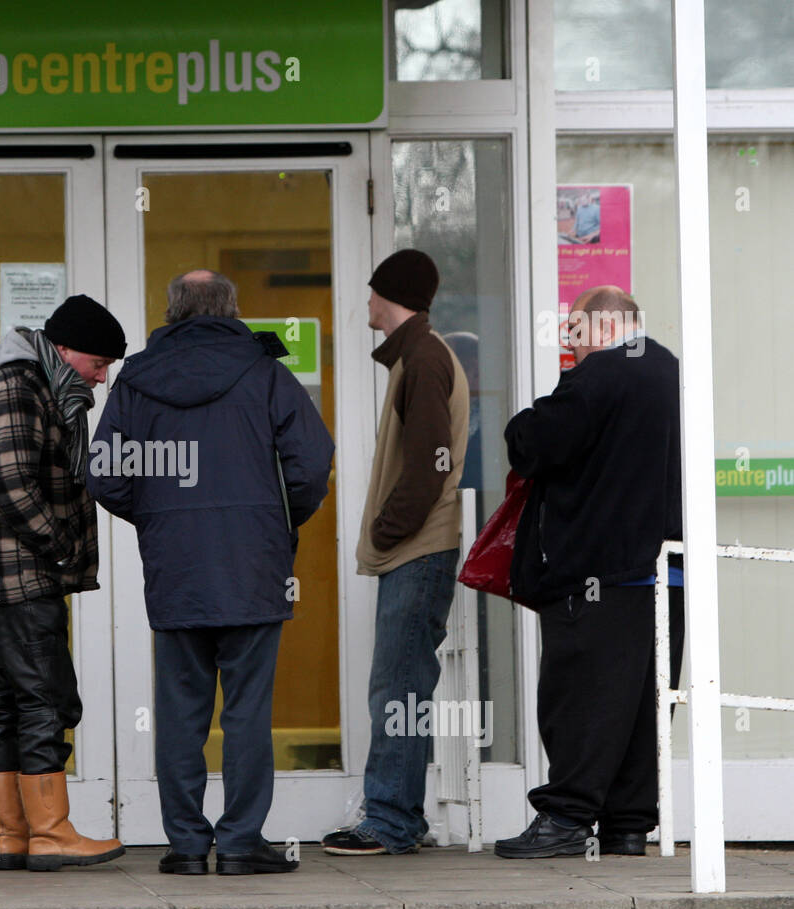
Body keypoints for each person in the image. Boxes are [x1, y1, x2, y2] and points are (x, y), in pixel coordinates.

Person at [88, 270, 334, 876]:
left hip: (175, 563)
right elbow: (312, 461)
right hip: (252, 561)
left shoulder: (136, 380)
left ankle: (187, 846)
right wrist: (278, 521)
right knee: (247, 710)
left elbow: (105, 474)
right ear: (232, 308)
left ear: (172, 312)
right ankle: (244, 842)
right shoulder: (265, 372)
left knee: (180, 709)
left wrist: (157, 517)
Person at [494, 286, 683, 859]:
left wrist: (527, 415)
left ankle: (566, 818)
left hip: (599, 573)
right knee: (642, 705)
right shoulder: (672, 370)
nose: (568, 346)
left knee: (581, 696)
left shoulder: (598, 377)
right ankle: (627, 824)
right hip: (667, 572)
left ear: (599, 327)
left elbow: (531, 444)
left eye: (572, 332)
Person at [0, 294, 125, 872]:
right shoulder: (19, 387)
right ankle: (50, 832)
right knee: (46, 697)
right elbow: (8, 485)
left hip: (1, 573)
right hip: (15, 574)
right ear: (64, 350)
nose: (101, 377)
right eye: (98, 363)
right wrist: (61, 543)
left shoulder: (36, 386)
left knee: (5, 700)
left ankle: (12, 835)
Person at [323, 249, 469, 857]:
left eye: (372, 291)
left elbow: (430, 462)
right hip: (418, 547)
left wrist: (389, 529)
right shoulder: (418, 355)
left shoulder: (425, 358)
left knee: (398, 687)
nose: (366, 301)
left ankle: (388, 822)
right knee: (403, 685)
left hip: (419, 548)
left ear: (390, 295)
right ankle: (400, 815)